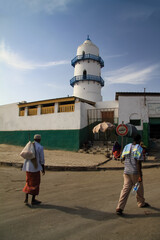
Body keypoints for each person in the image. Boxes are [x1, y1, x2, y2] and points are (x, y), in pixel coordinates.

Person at [116, 134, 150, 215]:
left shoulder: (127, 146)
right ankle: (141, 203)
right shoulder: (139, 148)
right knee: (139, 187)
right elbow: (138, 163)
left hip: (126, 171)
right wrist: (140, 175)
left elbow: (122, 158)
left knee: (125, 189)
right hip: (135, 172)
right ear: (139, 140)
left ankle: (119, 207)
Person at [22, 134, 45, 205]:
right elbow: (42, 159)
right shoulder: (40, 147)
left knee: (28, 182)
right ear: (39, 140)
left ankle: (26, 198)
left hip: (28, 168)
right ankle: (33, 200)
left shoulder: (29, 145)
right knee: (35, 184)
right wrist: (43, 169)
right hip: (35, 168)